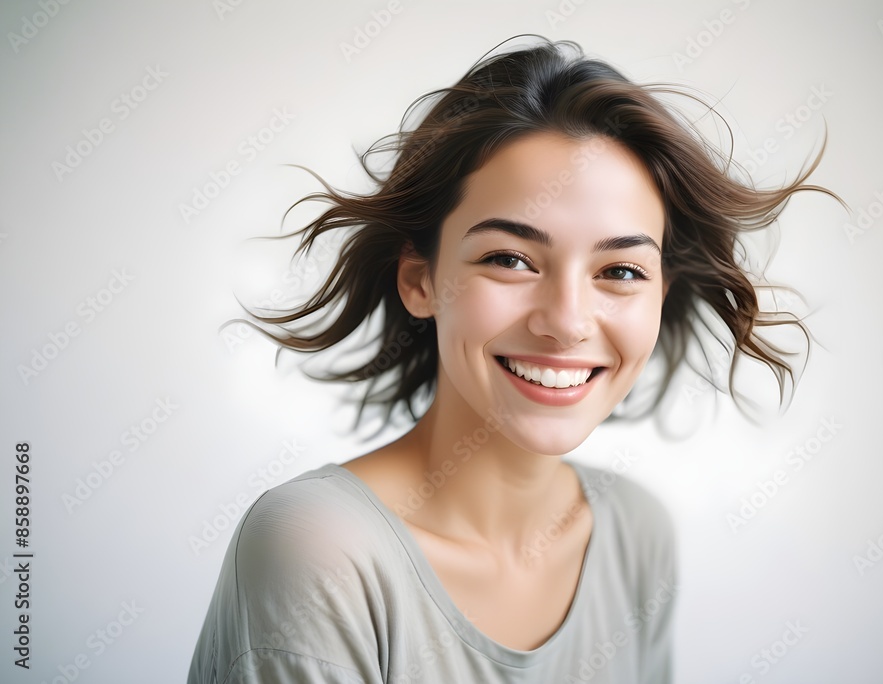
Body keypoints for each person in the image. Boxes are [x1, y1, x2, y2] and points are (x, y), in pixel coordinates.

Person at [188, 35, 836, 683]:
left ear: (662, 294)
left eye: (619, 269)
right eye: (510, 259)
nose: (566, 321)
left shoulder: (638, 536)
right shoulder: (319, 546)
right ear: (419, 281)